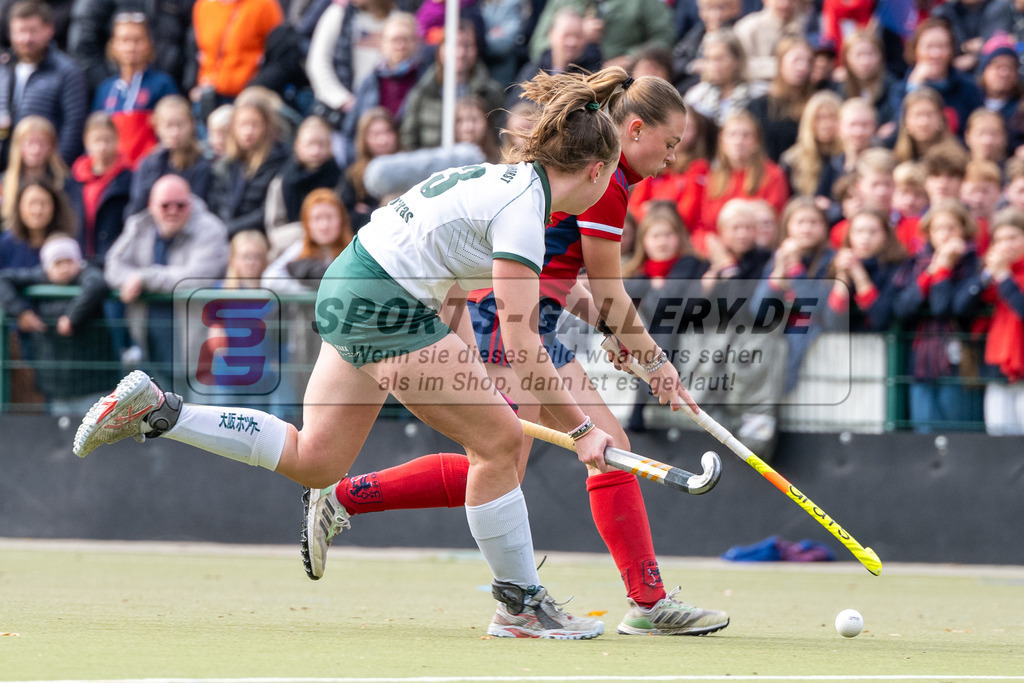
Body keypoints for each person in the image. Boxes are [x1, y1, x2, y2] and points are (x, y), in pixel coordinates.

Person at [74, 67, 628, 641]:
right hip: (385, 300)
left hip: (351, 278)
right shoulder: (525, 212)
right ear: (595, 170)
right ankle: (519, 607)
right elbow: (523, 341)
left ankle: (161, 412)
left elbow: (451, 274)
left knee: (316, 459)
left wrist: (469, 365)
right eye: (608, 178)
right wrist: (584, 429)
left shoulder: (501, 181)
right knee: (500, 443)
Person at [298, 73, 731, 637]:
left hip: (537, 320)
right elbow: (608, 290)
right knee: (501, 456)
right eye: (670, 143)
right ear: (635, 128)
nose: (673, 158)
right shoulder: (609, 181)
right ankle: (345, 499)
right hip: (508, 323)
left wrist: (615, 334)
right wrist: (655, 364)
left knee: (600, 447)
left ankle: (648, 603)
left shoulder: (599, 170)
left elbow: (567, 281)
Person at [102, 174, 229, 383]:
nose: (173, 211)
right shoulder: (139, 224)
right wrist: (134, 278)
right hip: (147, 341)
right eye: (165, 205)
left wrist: (144, 278)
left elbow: (196, 277)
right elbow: (112, 266)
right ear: (152, 205)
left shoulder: (211, 228)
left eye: (181, 205)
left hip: (196, 348)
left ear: (191, 202)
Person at [892, 198, 982, 432]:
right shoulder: (916, 264)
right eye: (937, 228)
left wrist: (943, 269)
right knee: (924, 430)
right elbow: (901, 307)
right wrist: (931, 272)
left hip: (959, 359)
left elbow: (943, 308)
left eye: (950, 228)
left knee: (956, 431)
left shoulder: (973, 264)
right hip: (922, 359)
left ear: (964, 230)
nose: (944, 234)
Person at [0, 235, 116, 414]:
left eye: (69, 261)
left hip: (93, 380)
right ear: (47, 267)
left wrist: (72, 318)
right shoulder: (39, 276)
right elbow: (3, 280)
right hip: (56, 382)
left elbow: (97, 284)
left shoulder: (89, 274)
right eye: (57, 263)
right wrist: (21, 312)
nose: (64, 268)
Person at [621, 202, 705, 431]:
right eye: (655, 235)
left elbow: (665, 302)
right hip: (656, 326)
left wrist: (651, 292)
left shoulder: (689, 263)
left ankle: (644, 400)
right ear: (644, 240)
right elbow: (625, 291)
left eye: (668, 234)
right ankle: (653, 387)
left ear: (679, 236)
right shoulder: (640, 270)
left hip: (690, 321)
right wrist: (652, 285)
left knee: (664, 320)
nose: (662, 241)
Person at [954, 207, 1024, 434]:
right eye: (1000, 239)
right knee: (998, 436)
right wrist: (986, 276)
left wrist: (1005, 277)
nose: (1006, 245)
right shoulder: (990, 275)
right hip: (997, 369)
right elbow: (960, 306)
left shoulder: (1006, 277)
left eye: (1013, 238)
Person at [0, 1, 87, 166]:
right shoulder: (4, 68)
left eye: (32, 31)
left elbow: (73, 127)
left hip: (45, 171)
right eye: (19, 31)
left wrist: (57, 169)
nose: (26, 39)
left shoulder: (67, 71)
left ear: (49, 29)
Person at [399, 20, 504, 151]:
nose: (460, 53)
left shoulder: (491, 93)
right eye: (454, 46)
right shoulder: (422, 92)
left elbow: (501, 140)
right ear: (440, 49)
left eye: (467, 46)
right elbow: (408, 140)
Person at [695, 110, 790, 255]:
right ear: (722, 141)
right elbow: (701, 227)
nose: (739, 141)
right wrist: (715, 250)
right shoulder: (712, 177)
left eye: (746, 135)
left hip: (758, 253)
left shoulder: (773, 175)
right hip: (718, 252)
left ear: (756, 141)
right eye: (732, 135)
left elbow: (774, 222)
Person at [90, 12, 177, 169]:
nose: (131, 47)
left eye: (137, 40)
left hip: (150, 170)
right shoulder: (106, 89)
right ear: (113, 45)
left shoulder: (163, 84)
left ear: (149, 44)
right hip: (113, 174)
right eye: (124, 40)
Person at [340, 11, 423, 164]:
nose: (400, 46)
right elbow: (351, 131)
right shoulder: (369, 81)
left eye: (406, 39)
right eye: (394, 40)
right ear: (383, 44)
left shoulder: (424, 80)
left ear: (415, 43)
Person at [206, 95, 290, 239]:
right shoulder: (225, 165)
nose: (248, 131)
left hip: (260, 235)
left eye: (255, 124)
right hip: (225, 233)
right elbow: (216, 204)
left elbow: (266, 212)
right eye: (243, 124)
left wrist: (228, 229)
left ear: (266, 126)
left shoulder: (281, 160)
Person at [305, 0, 394, 131]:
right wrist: (342, 99)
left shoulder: (397, 17)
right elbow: (317, 62)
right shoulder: (338, 14)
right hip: (341, 114)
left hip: (384, 114)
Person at [889, 17, 984, 138]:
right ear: (915, 49)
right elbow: (901, 135)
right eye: (929, 47)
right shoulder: (900, 90)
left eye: (942, 46)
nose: (936, 54)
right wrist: (914, 88)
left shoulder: (969, 88)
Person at [67, 0, 192, 90]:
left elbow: (193, 40)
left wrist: (188, 84)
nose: (131, 47)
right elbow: (83, 45)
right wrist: (111, 86)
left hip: (172, 87)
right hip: (115, 84)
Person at [187, 0, 283, 109]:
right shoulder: (203, 6)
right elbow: (196, 50)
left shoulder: (264, 5)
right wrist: (192, 85)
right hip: (208, 95)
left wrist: (255, 87)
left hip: (247, 98)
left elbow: (280, 55)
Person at [127, 95, 212, 217]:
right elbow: (134, 210)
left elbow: (198, 210)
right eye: (168, 126)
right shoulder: (148, 163)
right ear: (157, 127)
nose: (175, 133)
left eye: (180, 125)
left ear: (192, 124)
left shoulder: (202, 164)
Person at [826, 208, 909, 333]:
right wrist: (842, 277)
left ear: (886, 235)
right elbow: (833, 322)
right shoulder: (835, 265)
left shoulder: (898, 268)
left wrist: (859, 275)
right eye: (858, 232)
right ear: (849, 235)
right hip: (844, 346)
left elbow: (879, 318)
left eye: (873, 232)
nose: (865, 238)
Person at [264, 115, 342, 246]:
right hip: (293, 246)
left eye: (321, 144)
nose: (315, 151)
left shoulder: (341, 180)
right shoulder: (283, 182)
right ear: (298, 145)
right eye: (310, 144)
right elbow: (274, 229)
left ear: (330, 146)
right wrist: (310, 232)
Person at [507, 7, 602, 108]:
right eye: (566, 35)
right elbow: (513, 110)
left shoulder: (592, 75)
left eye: (578, 36)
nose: (572, 42)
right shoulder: (532, 71)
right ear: (551, 34)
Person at [70, 112, 132, 266]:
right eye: (97, 141)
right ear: (86, 142)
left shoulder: (128, 178)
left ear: (117, 140)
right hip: (81, 256)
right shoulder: (75, 179)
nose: (102, 147)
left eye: (107, 140)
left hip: (115, 257)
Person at [746, 35, 816, 163]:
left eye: (807, 61)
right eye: (796, 60)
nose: (802, 67)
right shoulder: (759, 106)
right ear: (781, 63)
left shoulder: (815, 104)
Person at [0, 115, 78, 228]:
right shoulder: (4, 182)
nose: (36, 150)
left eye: (42, 143)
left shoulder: (64, 182)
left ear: (52, 147)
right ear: (18, 146)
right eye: (29, 143)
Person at [339, 106, 400, 234]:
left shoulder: (410, 168)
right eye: (375, 134)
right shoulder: (354, 175)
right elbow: (346, 216)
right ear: (364, 139)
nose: (383, 140)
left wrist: (371, 211)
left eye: (387, 132)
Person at [683, 29, 761, 127]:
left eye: (719, 59)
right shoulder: (696, 97)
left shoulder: (757, 94)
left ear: (737, 60)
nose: (713, 66)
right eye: (708, 59)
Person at [830, 30, 899, 137]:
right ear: (847, 58)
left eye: (871, 54)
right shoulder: (837, 87)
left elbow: (896, 119)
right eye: (859, 55)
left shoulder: (893, 86)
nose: (865, 61)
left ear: (880, 56)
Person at [780, 90, 843, 206]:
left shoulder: (848, 158)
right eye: (819, 118)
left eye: (832, 118)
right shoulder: (791, 160)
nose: (826, 124)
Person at [0, 177, 76, 270]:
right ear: (19, 207)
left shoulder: (66, 244)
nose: (37, 211)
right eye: (31, 203)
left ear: (54, 207)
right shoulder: (6, 244)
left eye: (43, 203)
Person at [732, 0, 807, 85]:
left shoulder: (806, 26)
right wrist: (781, 67)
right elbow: (740, 65)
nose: (785, 5)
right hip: (755, 88)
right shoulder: (747, 28)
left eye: (791, 0)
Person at [892, 87, 957, 163]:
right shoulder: (895, 160)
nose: (924, 122)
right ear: (905, 120)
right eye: (917, 115)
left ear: (941, 118)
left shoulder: (956, 160)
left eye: (930, 114)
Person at [454, 94, 500, 163]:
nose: (468, 128)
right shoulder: (442, 162)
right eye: (460, 120)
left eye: (474, 120)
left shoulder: (501, 160)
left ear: (487, 122)